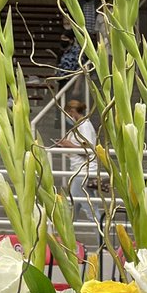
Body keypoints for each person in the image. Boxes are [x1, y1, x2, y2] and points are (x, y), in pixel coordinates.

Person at [57, 99, 98, 233]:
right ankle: (66, 239)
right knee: (73, 209)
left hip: (83, 172)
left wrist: (68, 145)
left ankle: (102, 242)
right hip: (79, 171)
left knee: (89, 210)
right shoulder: (80, 126)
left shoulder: (84, 126)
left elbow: (86, 150)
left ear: (72, 112)